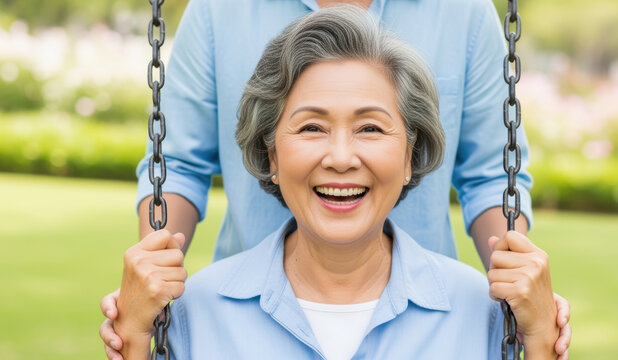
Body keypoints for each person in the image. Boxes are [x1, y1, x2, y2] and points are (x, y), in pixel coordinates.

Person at [101, 0, 571, 358]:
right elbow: (177, 164)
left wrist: (517, 295)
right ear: (270, 153)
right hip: (244, 314)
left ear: (412, 153)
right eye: (311, 127)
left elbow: (493, 173)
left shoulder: (463, 11)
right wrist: (153, 291)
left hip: (432, 318)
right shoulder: (199, 317)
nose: (342, 157)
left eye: (371, 127)